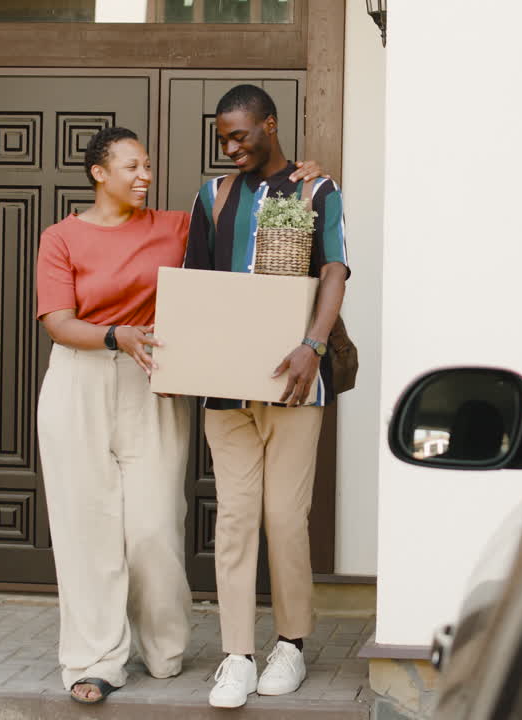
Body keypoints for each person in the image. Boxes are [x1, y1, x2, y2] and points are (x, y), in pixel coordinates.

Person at [34, 126, 328, 705]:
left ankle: (164, 646)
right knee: (86, 528)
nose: (145, 175)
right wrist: (117, 335)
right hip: (80, 376)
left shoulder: (176, 227)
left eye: (147, 165)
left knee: (152, 527)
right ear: (99, 173)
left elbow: (249, 227)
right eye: (131, 166)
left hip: (155, 383)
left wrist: (299, 182)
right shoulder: (61, 237)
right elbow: (57, 321)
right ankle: (94, 659)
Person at [183, 84, 350, 709]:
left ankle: (291, 644)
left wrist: (312, 344)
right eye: (223, 138)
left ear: (270, 126)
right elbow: (194, 285)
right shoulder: (212, 194)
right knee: (233, 520)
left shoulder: (314, 190)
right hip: (225, 387)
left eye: (241, 136)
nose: (230, 148)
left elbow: (333, 268)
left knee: (284, 518)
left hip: (294, 383)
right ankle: (236, 654)